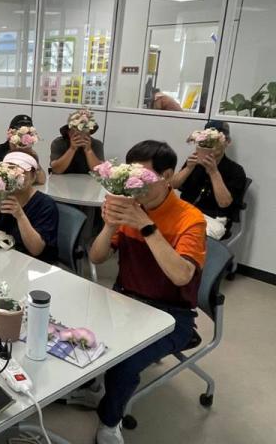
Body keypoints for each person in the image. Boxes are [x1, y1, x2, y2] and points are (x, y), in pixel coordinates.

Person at [88, 140, 206, 444]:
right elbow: (96, 258)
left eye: (143, 178)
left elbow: (181, 275)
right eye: (131, 176)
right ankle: (88, 385)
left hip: (172, 315)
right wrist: (109, 225)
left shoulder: (190, 219)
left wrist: (146, 226)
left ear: (167, 176)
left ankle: (109, 421)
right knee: (76, 326)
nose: (135, 185)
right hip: (124, 298)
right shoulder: (131, 207)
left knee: (124, 363)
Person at [0, 150, 59, 262]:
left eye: (21, 171)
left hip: (34, 263)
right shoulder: (2, 195)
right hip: (4, 257)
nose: (15, 176)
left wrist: (20, 215)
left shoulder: (46, 204)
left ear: (33, 176)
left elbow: (36, 250)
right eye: (10, 171)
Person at [172, 121, 247, 240]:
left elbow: (224, 203)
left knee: (189, 236)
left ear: (227, 142)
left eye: (216, 140)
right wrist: (188, 168)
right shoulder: (194, 161)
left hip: (213, 219)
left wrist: (214, 172)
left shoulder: (236, 171)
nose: (212, 145)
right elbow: (173, 184)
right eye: (207, 141)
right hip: (185, 210)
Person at [0, 114, 46, 184]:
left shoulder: (29, 153)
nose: (22, 136)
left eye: (28, 133)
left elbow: (41, 180)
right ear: (10, 132)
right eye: (19, 133)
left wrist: (31, 156)